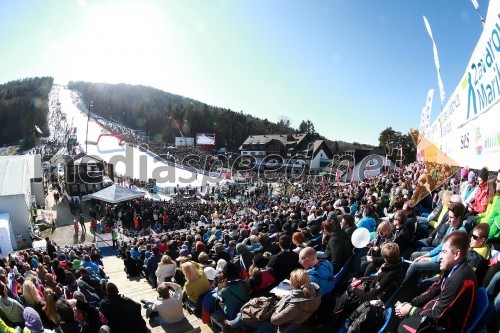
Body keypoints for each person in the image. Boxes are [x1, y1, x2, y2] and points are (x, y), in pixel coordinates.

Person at [396, 230, 477, 332]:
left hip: (449, 327)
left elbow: (437, 316)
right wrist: (412, 303)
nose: (441, 256)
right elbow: (434, 288)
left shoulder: (459, 279)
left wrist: (410, 309)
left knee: (402, 329)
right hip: (441, 314)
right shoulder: (451, 267)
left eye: (444, 252)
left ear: (456, 254)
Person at [226, 268, 322, 332]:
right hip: (294, 321)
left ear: (294, 284)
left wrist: (277, 306)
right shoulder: (315, 291)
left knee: (243, 316)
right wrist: (284, 299)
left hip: (280, 326)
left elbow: (274, 321)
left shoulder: (295, 306)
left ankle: (232, 324)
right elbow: (297, 302)